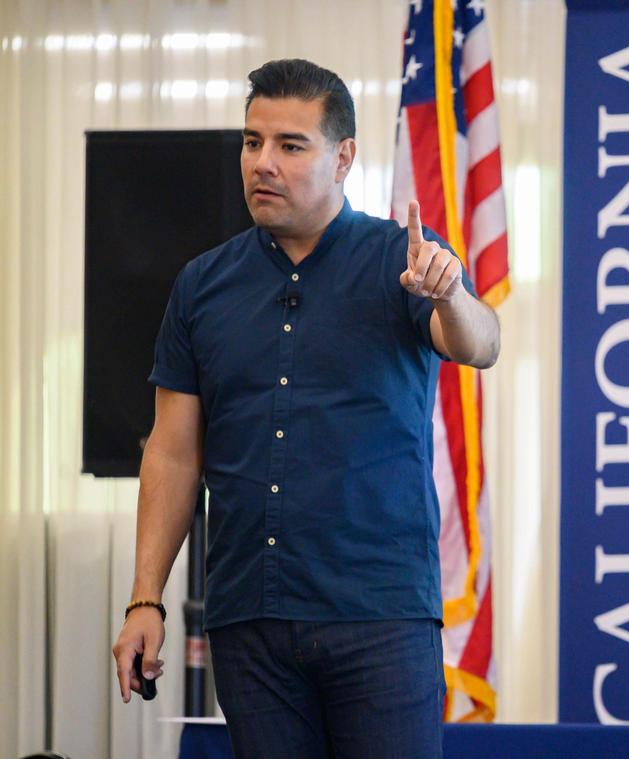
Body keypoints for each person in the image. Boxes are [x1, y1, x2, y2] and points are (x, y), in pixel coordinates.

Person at [110, 58, 500, 758]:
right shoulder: (202, 286)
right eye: (252, 142)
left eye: (291, 146)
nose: (263, 162)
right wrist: (146, 599)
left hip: (379, 616)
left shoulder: (401, 260)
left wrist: (448, 294)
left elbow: (479, 343)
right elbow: (171, 450)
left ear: (343, 156)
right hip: (250, 622)